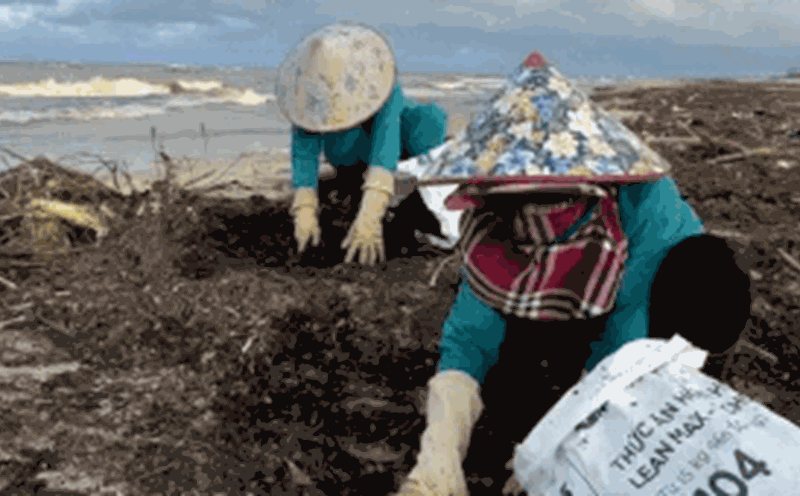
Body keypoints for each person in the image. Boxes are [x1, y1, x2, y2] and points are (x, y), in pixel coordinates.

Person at [392, 50, 752, 495]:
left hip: (650, 307)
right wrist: (439, 455)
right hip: (563, 311)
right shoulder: (491, 222)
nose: (537, 217)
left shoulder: (644, 203)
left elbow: (627, 331)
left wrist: (562, 446)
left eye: (554, 202)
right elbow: (470, 332)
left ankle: (681, 378)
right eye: (520, 203)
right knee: (501, 375)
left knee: (708, 274)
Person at [275, 21, 448, 265]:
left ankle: (415, 204)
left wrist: (370, 216)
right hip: (350, 155)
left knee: (430, 120)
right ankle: (352, 186)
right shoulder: (306, 95)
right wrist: (304, 210)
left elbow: (385, 145)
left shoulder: (384, 88)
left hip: (403, 147)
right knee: (345, 147)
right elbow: (304, 153)